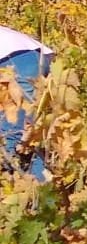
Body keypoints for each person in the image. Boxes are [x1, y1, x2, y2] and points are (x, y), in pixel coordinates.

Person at [0, 26, 53, 180]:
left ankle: (35, 194)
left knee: (12, 138)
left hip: (12, 60)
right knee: (29, 136)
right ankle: (42, 191)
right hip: (33, 56)